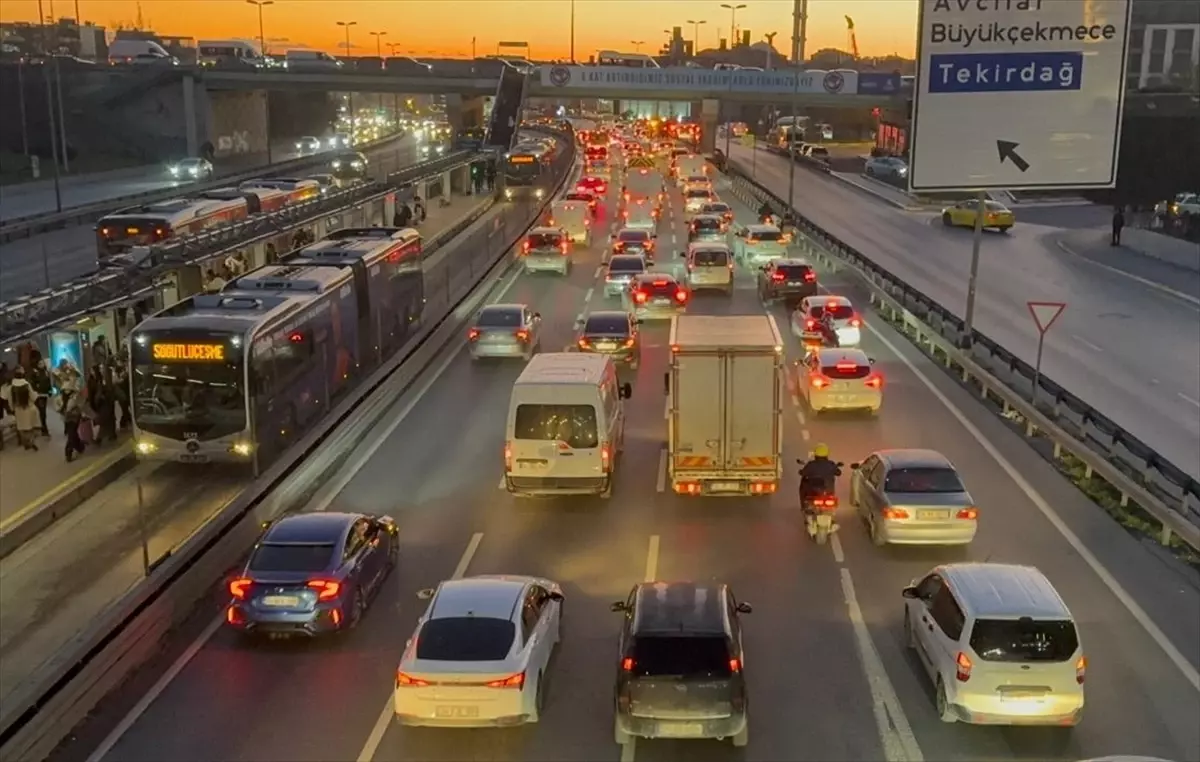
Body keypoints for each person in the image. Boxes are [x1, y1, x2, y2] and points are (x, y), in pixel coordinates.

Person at [2, 368, 40, 450]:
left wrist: (12, 408)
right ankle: (31, 440)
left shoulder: (11, 387)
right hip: (30, 408)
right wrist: (36, 394)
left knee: (21, 428)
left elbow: (10, 400)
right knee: (31, 427)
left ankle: (26, 442)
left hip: (19, 410)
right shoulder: (27, 384)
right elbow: (33, 397)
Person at [799, 444, 842, 508]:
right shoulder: (831, 464)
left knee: (803, 487)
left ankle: (803, 506)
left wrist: (801, 471)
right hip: (828, 492)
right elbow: (839, 473)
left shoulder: (811, 464)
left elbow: (803, 473)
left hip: (813, 492)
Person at [29, 358, 52, 436]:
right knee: (42, 412)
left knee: (43, 412)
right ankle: (44, 429)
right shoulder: (35, 373)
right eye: (40, 363)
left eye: (42, 363)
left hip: (45, 395)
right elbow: (32, 384)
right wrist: (37, 390)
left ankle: (43, 428)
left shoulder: (46, 372)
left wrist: (50, 391)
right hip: (39, 396)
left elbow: (48, 382)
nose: (42, 365)